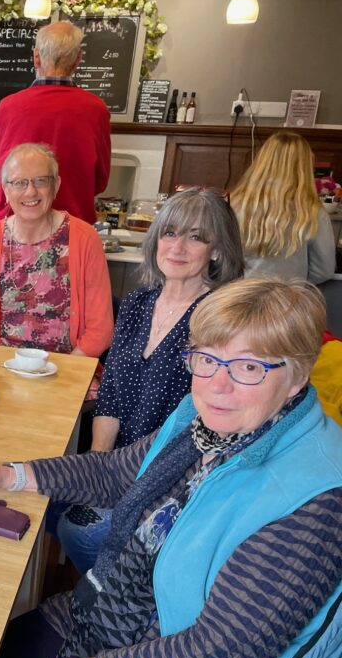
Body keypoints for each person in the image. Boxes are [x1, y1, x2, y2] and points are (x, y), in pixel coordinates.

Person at [0, 278, 342, 658]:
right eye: (208, 359)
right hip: (104, 619)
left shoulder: (317, 498)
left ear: (297, 376)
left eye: (247, 367)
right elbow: (117, 473)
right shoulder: (200, 421)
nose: (218, 385)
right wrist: (9, 475)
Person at [56, 188, 246, 572]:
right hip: (118, 464)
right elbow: (111, 396)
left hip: (172, 476)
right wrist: (97, 464)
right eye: (170, 232)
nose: (177, 246)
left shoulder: (219, 319)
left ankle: (116, 603)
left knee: (83, 532)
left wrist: (125, 483)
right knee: (47, 498)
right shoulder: (138, 303)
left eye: (196, 236)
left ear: (217, 250)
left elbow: (209, 425)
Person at [0, 143, 112, 357]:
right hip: (2, 367)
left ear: (56, 185)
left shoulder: (85, 239)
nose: (30, 191)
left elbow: (101, 330)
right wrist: (4, 369)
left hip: (69, 367)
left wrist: (67, 372)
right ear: (5, 189)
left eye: (40, 181)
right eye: (19, 183)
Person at [0, 21, 110, 224]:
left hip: (14, 224)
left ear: (36, 57)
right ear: (78, 59)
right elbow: (100, 180)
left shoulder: (7, 107)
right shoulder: (96, 109)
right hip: (71, 225)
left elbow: (2, 173)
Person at [231, 131, 336, 284]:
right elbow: (323, 270)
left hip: (236, 295)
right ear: (304, 167)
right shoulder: (313, 211)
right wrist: (295, 280)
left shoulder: (234, 203)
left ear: (262, 161)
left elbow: (219, 259)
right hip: (289, 298)